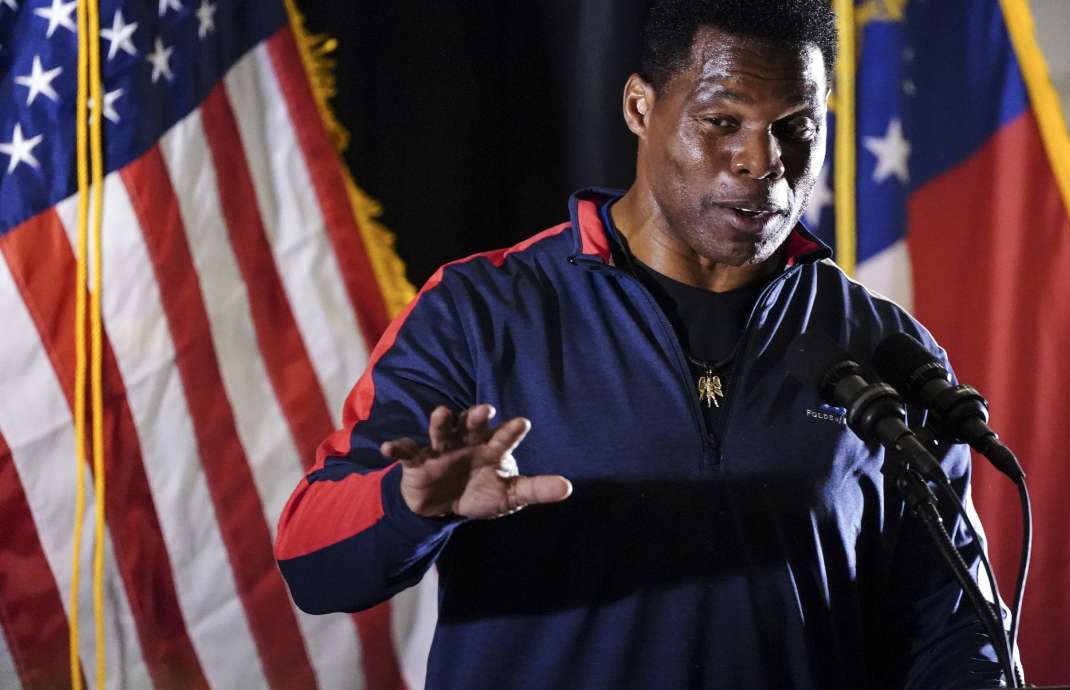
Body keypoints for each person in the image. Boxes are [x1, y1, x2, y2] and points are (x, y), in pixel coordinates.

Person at [275, 1, 1010, 687]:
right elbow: (310, 562)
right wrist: (408, 507)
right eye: (722, 121)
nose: (763, 162)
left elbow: (954, 631)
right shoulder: (480, 312)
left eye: (796, 126)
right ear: (639, 107)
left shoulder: (882, 345)